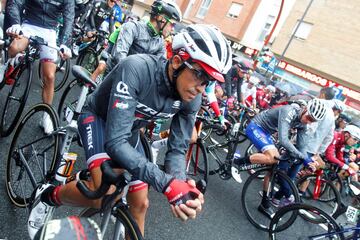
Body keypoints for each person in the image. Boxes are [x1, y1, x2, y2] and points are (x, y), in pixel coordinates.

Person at [27, 24, 232, 239]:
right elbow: (115, 143)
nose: (202, 87)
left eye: (208, 81)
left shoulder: (192, 97)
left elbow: (178, 150)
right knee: (103, 194)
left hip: (130, 131)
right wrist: (167, 183)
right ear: (178, 62)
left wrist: (180, 186)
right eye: (200, 74)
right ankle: (48, 197)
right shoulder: (136, 68)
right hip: (98, 119)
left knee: (140, 203)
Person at [230, 98, 326, 217]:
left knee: (273, 166)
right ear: (305, 109)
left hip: (267, 134)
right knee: (273, 157)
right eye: (309, 118)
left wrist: (308, 161)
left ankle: (264, 204)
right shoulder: (289, 111)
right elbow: (284, 140)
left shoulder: (303, 124)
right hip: (256, 126)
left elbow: (302, 148)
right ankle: (236, 163)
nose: (309, 122)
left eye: (313, 121)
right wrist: (302, 157)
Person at [2, 0, 74, 134]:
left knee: (50, 76)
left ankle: (46, 116)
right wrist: (16, 23)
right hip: (29, 24)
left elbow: (69, 18)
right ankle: (5, 65)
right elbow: (16, 3)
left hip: (50, 31)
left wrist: (65, 44)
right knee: (14, 47)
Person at [90, 0, 182, 81]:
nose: (173, 29)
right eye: (172, 25)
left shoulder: (160, 43)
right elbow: (120, 55)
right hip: (114, 74)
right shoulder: (132, 27)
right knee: (101, 68)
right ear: (161, 18)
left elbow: (161, 69)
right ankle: (87, 93)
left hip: (133, 82)